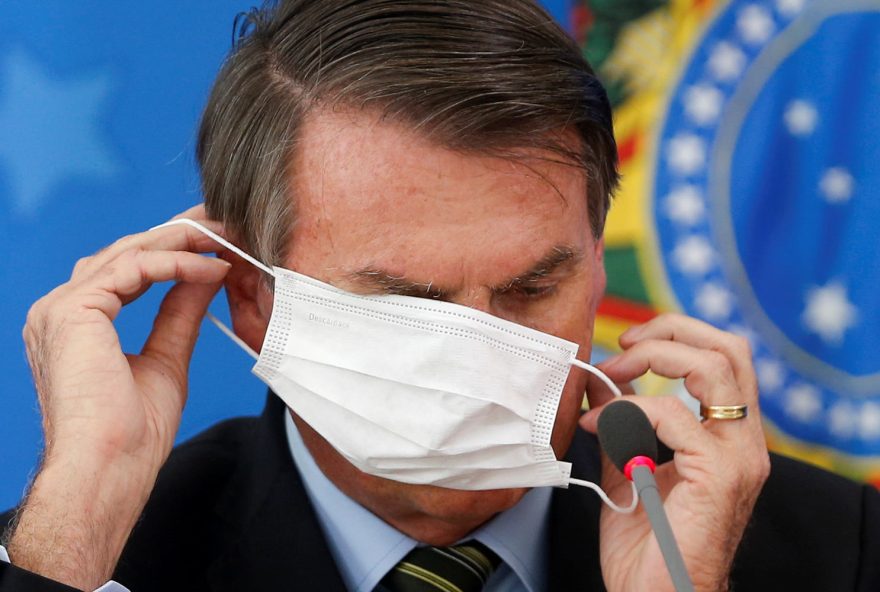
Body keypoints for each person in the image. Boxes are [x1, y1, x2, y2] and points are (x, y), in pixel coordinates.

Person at [1, 1, 878, 591]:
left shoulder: (836, 551)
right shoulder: (88, 555)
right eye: (405, 299)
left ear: (601, 265)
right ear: (251, 295)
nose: (482, 352)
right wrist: (76, 526)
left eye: (534, 286)